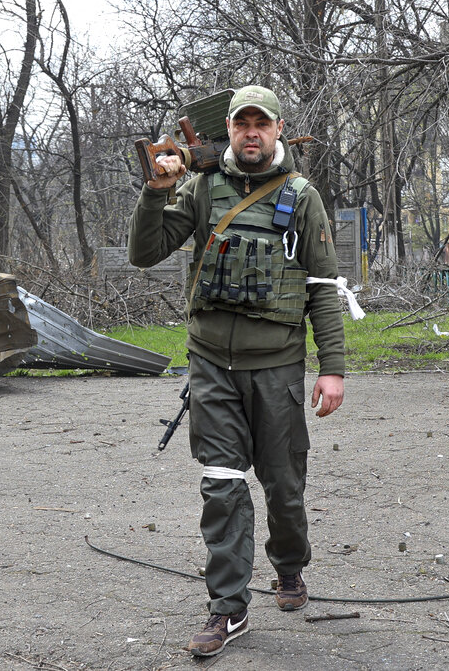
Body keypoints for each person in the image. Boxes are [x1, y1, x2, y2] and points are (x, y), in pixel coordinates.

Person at [128, 85, 346, 657]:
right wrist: (156, 192)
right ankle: (228, 608)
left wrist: (333, 369)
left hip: (276, 367)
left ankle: (290, 565)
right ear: (229, 128)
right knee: (222, 485)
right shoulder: (200, 188)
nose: (252, 132)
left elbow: (323, 289)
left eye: (262, 123)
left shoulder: (301, 196)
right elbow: (145, 253)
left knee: (284, 487)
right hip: (211, 366)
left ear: (277, 130)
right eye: (242, 123)